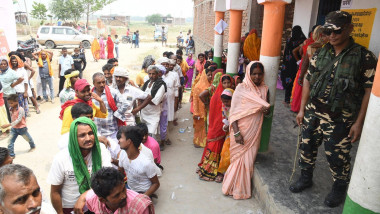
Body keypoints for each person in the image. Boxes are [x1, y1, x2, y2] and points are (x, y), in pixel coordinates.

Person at [289, 11, 378, 208]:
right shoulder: (321, 52)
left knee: (337, 155)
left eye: (337, 31)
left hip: (341, 117)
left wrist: (358, 122)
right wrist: (302, 110)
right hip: (313, 110)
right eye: (328, 31)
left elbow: (368, 92)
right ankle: (305, 177)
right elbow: (308, 79)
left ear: (350, 29)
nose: (332, 36)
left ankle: (339, 186)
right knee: (307, 146)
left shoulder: (364, 57)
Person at [222, 61, 270, 199]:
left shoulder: (265, 89)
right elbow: (234, 113)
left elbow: (266, 112)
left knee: (248, 161)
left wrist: (265, 111)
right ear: (248, 74)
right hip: (240, 130)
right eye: (254, 73)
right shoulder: (241, 89)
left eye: (260, 74)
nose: (257, 77)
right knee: (237, 159)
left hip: (254, 130)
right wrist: (236, 133)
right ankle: (229, 186)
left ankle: (240, 190)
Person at [48, 117, 112, 213]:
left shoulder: (101, 150)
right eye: (82, 135)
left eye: (90, 133)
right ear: (74, 137)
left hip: (97, 201)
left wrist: (84, 196)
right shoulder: (61, 158)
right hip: (70, 207)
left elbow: (107, 180)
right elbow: (55, 191)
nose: (88, 138)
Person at [197, 74, 233, 181]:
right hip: (218, 127)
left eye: (228, 82)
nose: (226, 85)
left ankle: (218, 170)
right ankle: (209, 170)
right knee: (215, 146)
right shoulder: (217, 96)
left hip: (225, 126)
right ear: (220, 83)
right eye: (224, 83)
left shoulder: (231, 94)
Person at [74, 167, 154, 214]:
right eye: (117, 195)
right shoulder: (93, 200)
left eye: (123, 189)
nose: (123, 195)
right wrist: (82, 197)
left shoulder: (139, 206)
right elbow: (89, 195)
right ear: (102, 200)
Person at [92, 72, 128, 160]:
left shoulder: (112, 92)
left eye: (103, 82)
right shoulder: (90, 94)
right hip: (97, 132)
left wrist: (116, 114)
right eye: (99, 83)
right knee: (102, 157)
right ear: (93, 83)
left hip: (111, 131)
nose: (102, 84)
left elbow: (125, 103)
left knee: (116, 155)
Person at [291, 26, 327, 113]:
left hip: (309, 74)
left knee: (303, 93)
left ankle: (301, 110)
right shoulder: (328, 47)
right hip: (324, 78)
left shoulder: (310, 45)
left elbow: (303, 60)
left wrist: (300, 74)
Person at [117, 126, 160, 197]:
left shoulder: (146, 162)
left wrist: (143, 197)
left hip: (143, 192)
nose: (119, 141)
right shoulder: (122, 154)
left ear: (129, 142)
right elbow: (120, 172)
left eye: (121, 138)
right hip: (129, 188)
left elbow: (156, 184)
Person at [281, 25, 306, 105]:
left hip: (287, 64)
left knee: (288, 80)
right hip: (296, 64)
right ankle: (293, 100)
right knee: (295, 81)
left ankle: (286, 99)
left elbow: (284, 51)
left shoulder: (289, 40)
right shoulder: (302, 41)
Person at [215, 88, 234, 183]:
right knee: (225, 153)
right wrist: (225, 127)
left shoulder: (238, 107)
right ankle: (222, 173)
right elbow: (225, 119)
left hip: (238, 133)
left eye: (227, 101)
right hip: (229, 134)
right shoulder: (225, 107)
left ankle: (229, 175)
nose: (225, 104)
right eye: (224, 102)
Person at [140, 65, 167, 135]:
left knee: (151, 135)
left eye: (153, 74)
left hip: (153, 115)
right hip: (144, 114)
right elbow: (140, 95)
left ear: (158, 74)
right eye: (149, 74)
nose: (151, 76)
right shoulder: (147, 83)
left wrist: (144, 99)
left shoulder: (161, 85)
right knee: (143, 135)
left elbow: (155, 102)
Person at [192, 65, 213, 148]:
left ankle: (205, 141)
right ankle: (197, 142)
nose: (210, 76)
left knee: (206, 126)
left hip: (207, 109)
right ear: (204, 75)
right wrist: (196, 112)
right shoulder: (198, 87)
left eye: (211, 75)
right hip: (200, 111)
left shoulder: (210, 85)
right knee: (199, 127)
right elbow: (195, 101)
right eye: (208, 75)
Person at [0, 57, 24, 123]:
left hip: (10, 94)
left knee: (12, 110)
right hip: (2, 95)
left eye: (5, 64)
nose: (3, 65)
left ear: (7, 64)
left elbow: (21, 78)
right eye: (1, 64)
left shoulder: (11, 72)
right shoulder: (0, 72)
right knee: (5, 111)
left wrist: (14, 84)